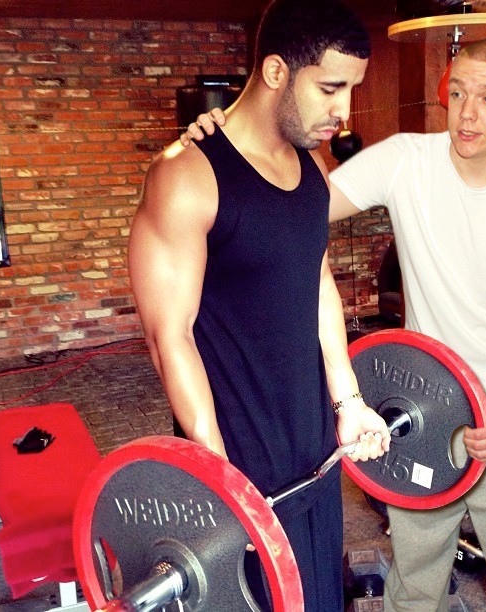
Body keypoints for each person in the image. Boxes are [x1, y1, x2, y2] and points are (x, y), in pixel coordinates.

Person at [184, 38, 486, 611]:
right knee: (414, 582)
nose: (468, 114)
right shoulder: (405, 161)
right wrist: (228, 149)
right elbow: (294, 202)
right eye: (458, 94)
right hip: (422, 412)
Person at [128, 1, 391, 610]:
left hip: (314, 450)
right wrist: (219, 478)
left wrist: (348, 402)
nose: (345, 111)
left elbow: (315, 278)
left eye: (351, 89)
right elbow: (170, 337)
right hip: (240, 459)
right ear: (277, 72)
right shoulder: (186, 176)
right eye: (331, 88)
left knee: (318, 595)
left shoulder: (310, 164)